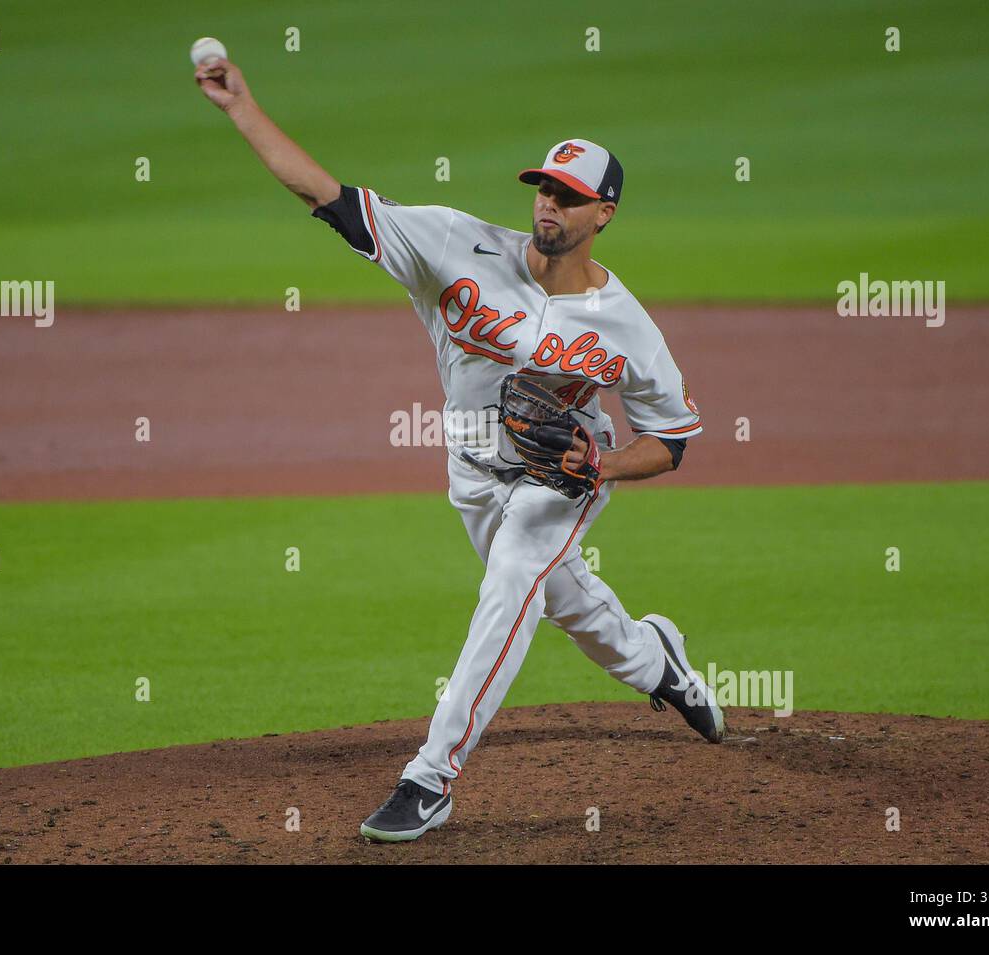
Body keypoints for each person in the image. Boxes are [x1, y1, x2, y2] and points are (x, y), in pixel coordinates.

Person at [196, 55, 725, 843]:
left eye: (570, 197)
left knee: (512, 584)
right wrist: (242, 108)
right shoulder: (453, 242)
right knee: (571, 607)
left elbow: (674, 441)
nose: (550, 204)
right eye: (545, 188)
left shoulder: (628, 326)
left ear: (604, 213)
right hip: (472, 468)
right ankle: (659, 662)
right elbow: (325, 196)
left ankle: (431, 777)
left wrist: (601, 465)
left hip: (561, 475)